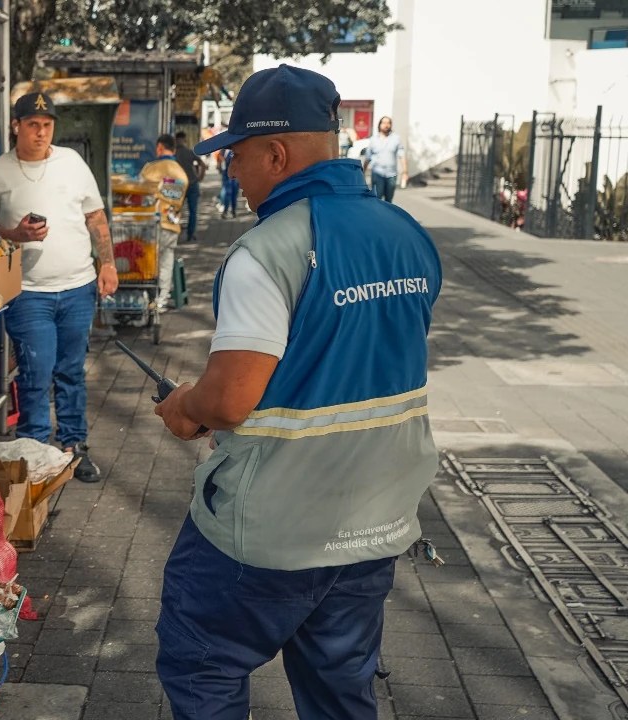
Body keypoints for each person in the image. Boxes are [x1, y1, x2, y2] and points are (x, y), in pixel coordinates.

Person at [153, 64, 442, 720]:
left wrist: (185, 407)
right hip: (374, 520)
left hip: (271, 532)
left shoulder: (268, 251)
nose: (232, 173)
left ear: (275, 154)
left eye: (237, 157)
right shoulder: (408, 236)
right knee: (340, 690)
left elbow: (229, 402)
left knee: (202, 662)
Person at [0, 91, 118, 483]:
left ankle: (74, 447)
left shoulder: (72, 162)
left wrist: (107, 263)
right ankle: (35, 453)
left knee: (71, 371)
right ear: (16, 127)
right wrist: (16, 233)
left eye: (47, 125)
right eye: (33, 125)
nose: (41, 132)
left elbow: (95, 216)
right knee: (35, 374)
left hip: (78, 287)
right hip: (27, 293)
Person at [140, 134, 189, 309]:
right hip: (172, 223)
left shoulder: (151, 169)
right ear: (174, 149)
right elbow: (176, 197)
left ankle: (148, 297)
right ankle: (162, 298)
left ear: (159, 147)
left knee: (148, 261)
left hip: (151, 223)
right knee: (167, 261)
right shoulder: (180, 172)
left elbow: (141, 191)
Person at [363, 115, 407, 202]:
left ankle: (387, 215)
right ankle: (377, 215)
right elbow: (368, 157)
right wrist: (362, 173)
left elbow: (401, 155)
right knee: (377, 199)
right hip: (377, 173)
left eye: (388, 123)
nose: (386, 125)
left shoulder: (396, 139)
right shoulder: (373, 139)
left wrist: (405, 172)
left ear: (391, 125)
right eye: (384, 123)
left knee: (389, 200)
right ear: (379, 125)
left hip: (391, 174)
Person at [173, 130, 204, 243]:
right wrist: (200, 177)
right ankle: (190, 234)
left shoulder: (173, 154)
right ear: (185, 140)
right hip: (192, 184)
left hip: (178, 186)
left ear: (176, 140)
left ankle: (175, 233)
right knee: (192, 211)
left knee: (175, 210)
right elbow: (202, 164)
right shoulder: (189, 152)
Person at [220, 148, 240, 218]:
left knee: (233, 194)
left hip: (234, 176)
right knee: (228, 193)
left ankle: (233, 211)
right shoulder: (223, 150)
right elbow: (221, 160)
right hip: (226, 175)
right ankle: (226, 211)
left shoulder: (235, 149)